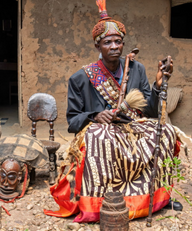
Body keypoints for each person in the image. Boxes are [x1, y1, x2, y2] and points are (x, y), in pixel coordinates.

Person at [45, 0, 182, 222]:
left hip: (133, 128)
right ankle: (101, 203)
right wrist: (95, 116)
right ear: (98, 46)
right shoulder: (81, 78)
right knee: (99, 137)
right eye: (108, 42)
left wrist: (158, 85)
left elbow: (151, 110)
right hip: (103, 131)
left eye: (118, 41)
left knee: (165, 131)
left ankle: (156, 197)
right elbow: (72, 120)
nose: (114, 46)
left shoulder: (137, 69)